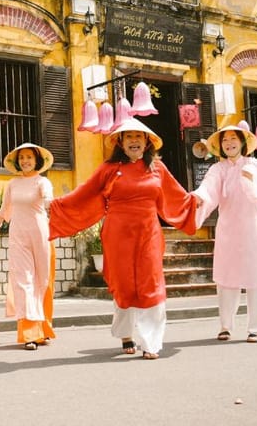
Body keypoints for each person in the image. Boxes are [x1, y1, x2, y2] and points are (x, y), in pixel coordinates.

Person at [49, 119, 197, 360]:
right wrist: (56, 205)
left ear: (147, 141)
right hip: (117, 232)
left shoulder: (157, 168)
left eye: (139, 136)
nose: (135, 141)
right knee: (124, 284)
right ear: (120, 141)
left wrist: (195, 201)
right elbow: (84, 193)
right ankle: (126, 333)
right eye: (129, 137)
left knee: (151, 283)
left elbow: (176, 195)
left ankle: (151, 342)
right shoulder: (108, 169)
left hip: (148, 231)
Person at [192, 125, 257, 343]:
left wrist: (248, 179)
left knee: (256, 278)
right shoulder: (218, 169)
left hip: (253, 229)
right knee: (226, 279)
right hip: (229, 230)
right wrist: (199, 197)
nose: (229, 143)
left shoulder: (255, 165)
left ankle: (256, 328)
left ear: (242, 142)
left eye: (233, 138)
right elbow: (208, 188)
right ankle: (225, 325)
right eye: (224, 140)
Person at [0, 143, 56, 351]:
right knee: (23, 281)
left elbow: (48, 200)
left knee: (42, 281)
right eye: (21, 158)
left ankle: (43, 329)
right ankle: (29, 333)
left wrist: (50, 205)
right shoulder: (13, 183)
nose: (25, 161)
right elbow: (6, 206)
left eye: (29, 157)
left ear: (37, 160)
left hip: (40, 234)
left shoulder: (42, 182)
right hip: (18, 234)